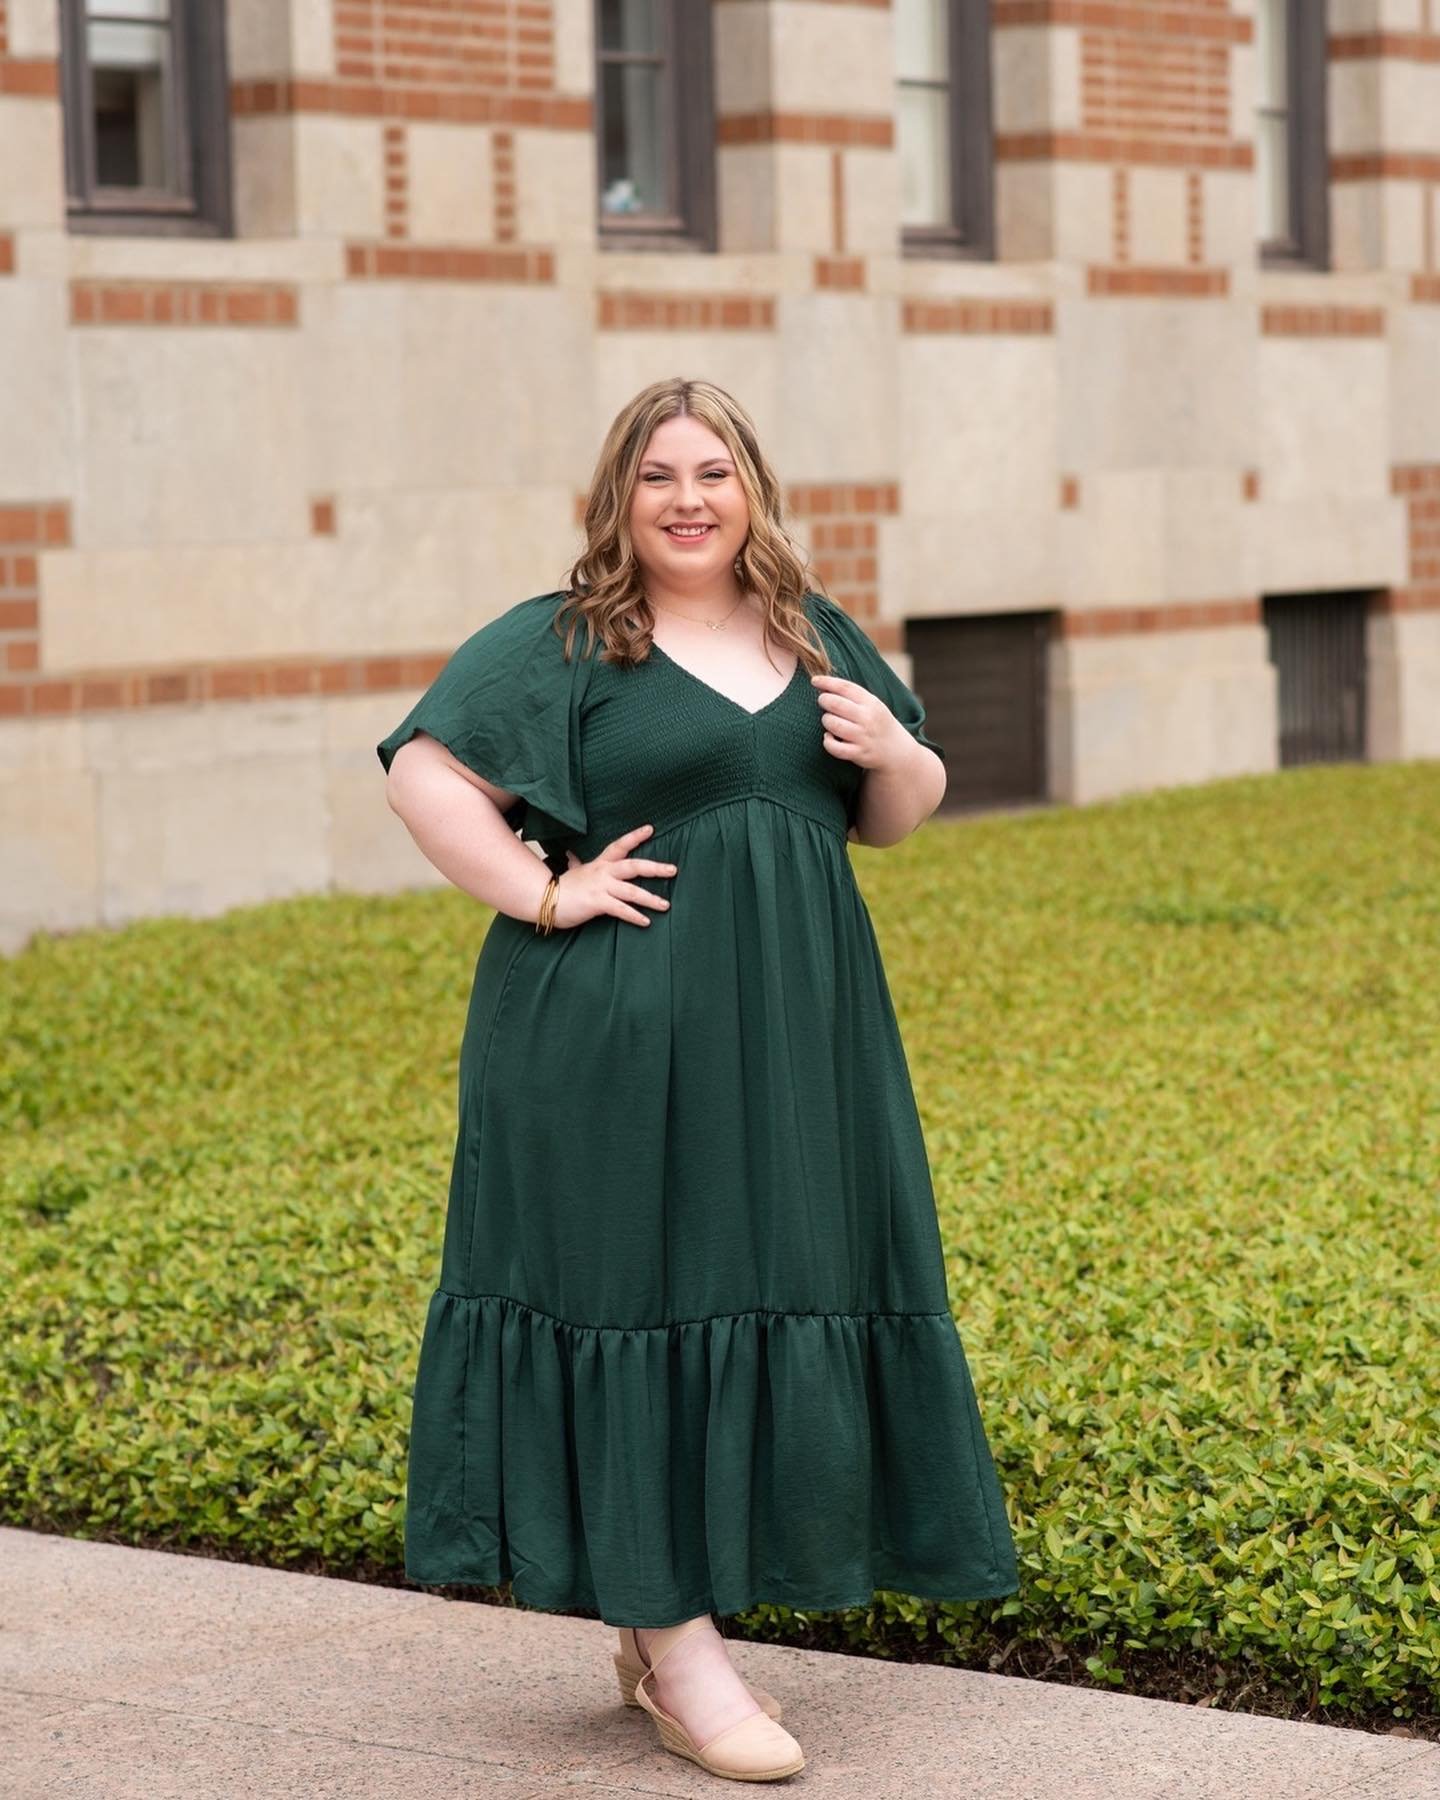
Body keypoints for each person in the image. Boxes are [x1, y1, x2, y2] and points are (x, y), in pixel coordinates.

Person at [376, 376, 1018, 1783]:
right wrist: (544, 894)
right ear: (619, 499)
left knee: (753, 1280)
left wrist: (901, 752)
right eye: (657, 475)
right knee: (638, 1294)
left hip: (796, 1038)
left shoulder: (811, 631)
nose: (685, 499)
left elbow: (896, 818)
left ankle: (664, 1620)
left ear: (750, 490)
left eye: (711, 472)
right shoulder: (566, 644)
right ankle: (677, 1646)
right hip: (610, 1036)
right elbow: (424, 769)